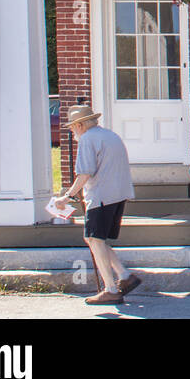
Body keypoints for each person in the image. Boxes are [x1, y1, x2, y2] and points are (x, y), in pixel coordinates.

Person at [55, 105, 141, 305]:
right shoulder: (110, 136)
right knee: (96, 239)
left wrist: (66, 197)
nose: (71, 130)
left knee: (94, 239)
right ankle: (124, 275)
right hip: (118, 193)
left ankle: (111, 289)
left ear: (80, 125)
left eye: (72, 126)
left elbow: (85, 172)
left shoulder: (87, 139)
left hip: (101, 195)